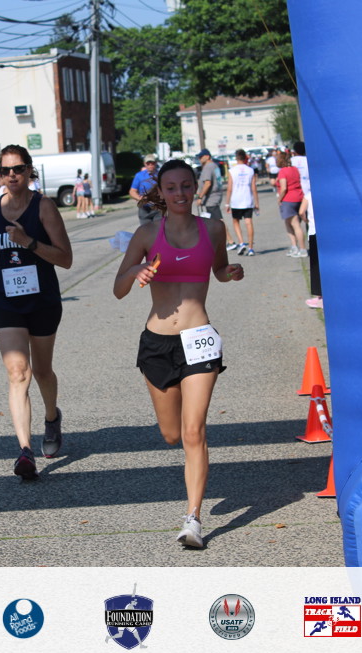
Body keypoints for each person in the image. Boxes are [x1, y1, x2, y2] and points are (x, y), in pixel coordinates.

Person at [113, 158, 245, 548]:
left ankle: (193, 519)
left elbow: (218, 269)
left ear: (195, 187)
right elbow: (118, 289)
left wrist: (230, 273)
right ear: (162, 192)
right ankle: (192, 507)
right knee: (172, 434)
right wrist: (135, 271)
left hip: (199, 339)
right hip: (158, 342)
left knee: (193, 431)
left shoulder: (214, 228)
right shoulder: (146, 234)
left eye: (186, 185)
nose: (180, 193)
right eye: (171, 188)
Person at [0, 145, 73, 480]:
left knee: (42, 371)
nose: (12, 175)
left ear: (30, 170)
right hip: (6, 301)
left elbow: (66, 258)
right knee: (18, 373)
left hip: (43, 300)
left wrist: (28, 241)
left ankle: (51, 417)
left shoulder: (44, 207)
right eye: (6, 170)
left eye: (18, 169)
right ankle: (25, 451)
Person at [195, 149, 234, 246]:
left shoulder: (208, 167)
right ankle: (216, 242)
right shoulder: (214, 166)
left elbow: (208, 183)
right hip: (216, 195)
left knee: (218, 221)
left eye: (201, 156)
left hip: (211, 198)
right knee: (212, 222)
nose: (199, 159)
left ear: (207, 156)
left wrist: (200, 197)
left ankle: (230, 241)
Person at [225, 149, 259, 256]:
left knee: (236, 221)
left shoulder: (232, 170)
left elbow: (229, 188)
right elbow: (254, 188)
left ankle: (241, 242)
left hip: (236, 200)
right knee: (248, 222)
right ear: (245, 158)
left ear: (236, 158)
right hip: (248, 199)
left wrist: (227, 203)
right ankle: (251, 248)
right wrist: (256, 202)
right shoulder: (250, 170)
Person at [276, 151, 306, 258]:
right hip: (299, 197)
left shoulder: (282, 171)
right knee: (290, 223)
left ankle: (301, 248)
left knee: (294, 224)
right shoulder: (295, 169)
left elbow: (284, 188)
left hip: (288, 199)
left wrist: (279, 199)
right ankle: (295, 247)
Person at [130, 154, 161, 225]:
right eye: (148, 163)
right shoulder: (139, 175)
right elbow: (132, 191)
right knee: (146, 229)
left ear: (156, 163)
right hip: (144, 209)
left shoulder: (160, 175)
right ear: (144, 164)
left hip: (158, 208)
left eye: (152, 163)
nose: (150, 165)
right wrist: (139, 198)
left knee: (158, 229)